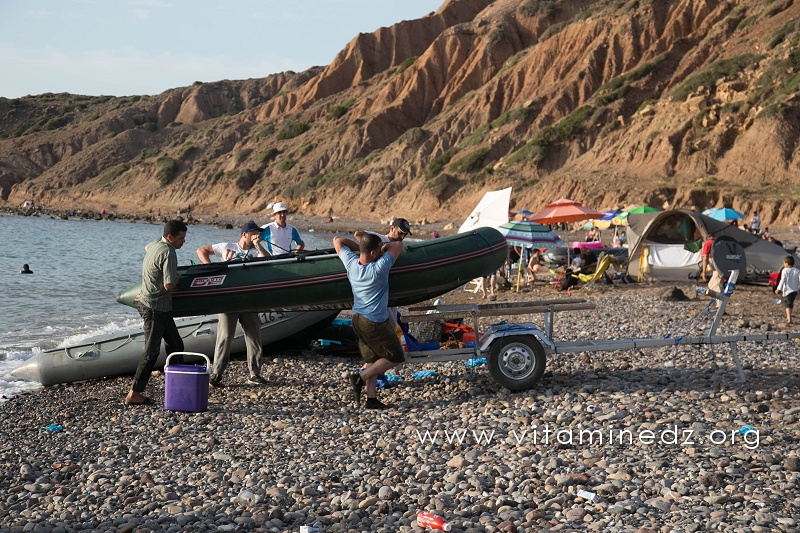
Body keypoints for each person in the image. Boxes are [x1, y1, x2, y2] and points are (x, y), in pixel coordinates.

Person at [334, 233, 404, 409]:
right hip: (374, 322)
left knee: (372, 358)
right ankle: (361, 377)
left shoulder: (351, 264)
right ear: (373, 253)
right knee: (396, 356)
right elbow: (397, 245)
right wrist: (383, 248)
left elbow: (338, 240)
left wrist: (361, 248)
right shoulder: (378, 268)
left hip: (357, 319)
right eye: (378, 249)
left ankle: (371, 399)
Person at [196, 221, 269, 387]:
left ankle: (255, 373)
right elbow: (201, 250)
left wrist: (258, 246)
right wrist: (210, 268)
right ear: (245, 234)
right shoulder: (227, 247)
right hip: (228, 300)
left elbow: (268, 261)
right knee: (225, 337)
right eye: (254, 233)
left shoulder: (257, 250)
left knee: (254, 335)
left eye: (259, 233)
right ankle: (216, 374)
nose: (258, 236)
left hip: (249, 300)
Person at [126, 220, 187, 406]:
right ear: (170, 237)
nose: (183, 242)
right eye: (180, 238)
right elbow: (168, 285)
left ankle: (176, 387)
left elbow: (147, 247)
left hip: (161, 307)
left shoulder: (156, 244)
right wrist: (177, 280)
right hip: (154, 307)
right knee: (151, 351)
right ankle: (134, 393)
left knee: (176, 344)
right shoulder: (169, 252)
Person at [353, 218, 412, 328]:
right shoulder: (379, 239)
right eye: (400, 233)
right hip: (377, 291)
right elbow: (358, 234)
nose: (402, 237)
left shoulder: (399, 246)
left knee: (393, 324)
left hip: (390, 290)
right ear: (392, 228)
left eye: (405, 235)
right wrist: (380, 249)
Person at [775, 256, 800, 324]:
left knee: (787, 305)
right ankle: (789, 316)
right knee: (790, 303)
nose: (783, 264)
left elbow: (782, 280)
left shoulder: (785, 270)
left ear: (786, 263)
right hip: (795, 290)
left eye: (784, 263)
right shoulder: (797, 270)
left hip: (787, 290)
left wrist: (778, 289)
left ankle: (789, 319)